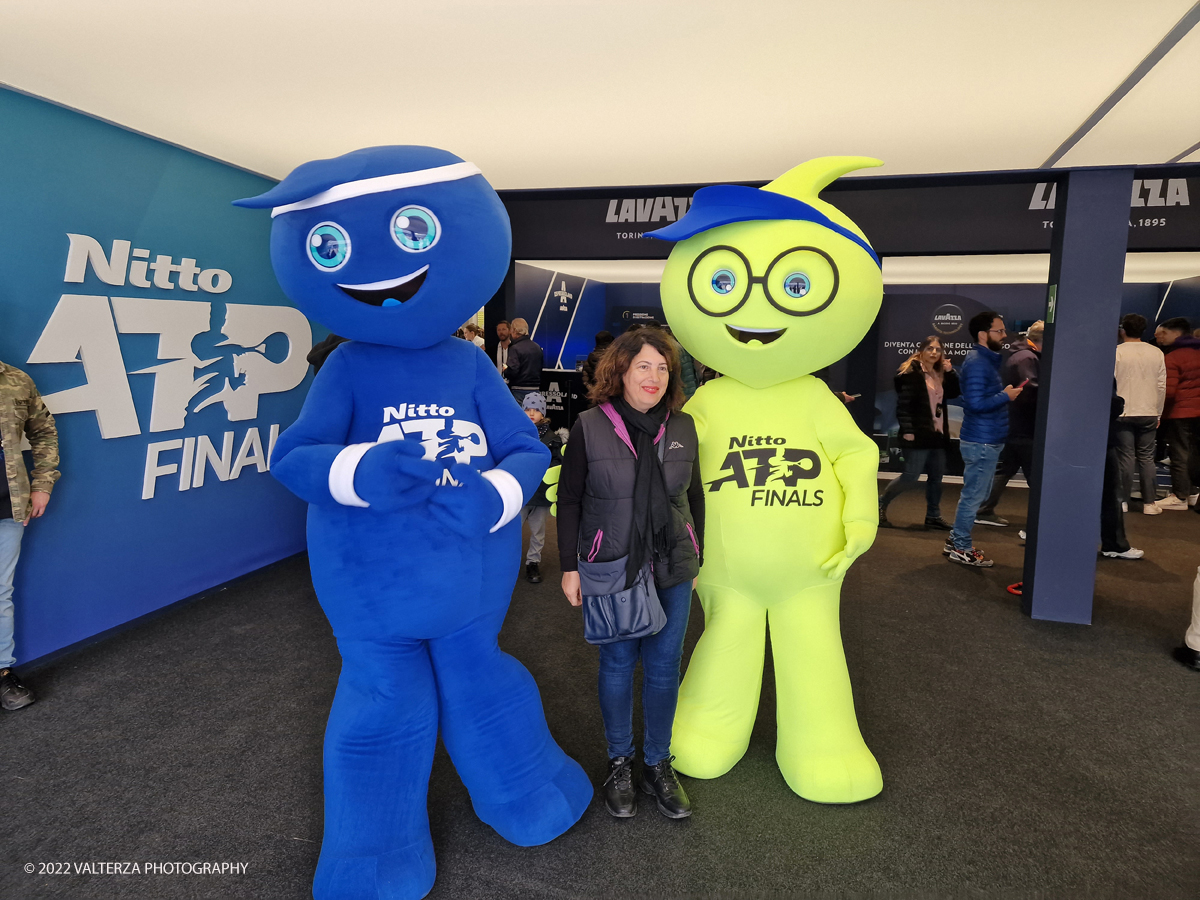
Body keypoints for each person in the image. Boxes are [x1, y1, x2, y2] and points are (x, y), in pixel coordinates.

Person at [556, 327, 703, 820]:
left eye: (663, 368)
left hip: (672, 565)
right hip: (612, 564)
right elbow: (571, 498)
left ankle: (657, 764)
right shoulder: (591, 426)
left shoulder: (683, 427)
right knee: (617, 667)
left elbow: (692, 497)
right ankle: (620, 762)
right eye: (644, 366)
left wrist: (695, 556)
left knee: (664, 670)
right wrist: (569, 566)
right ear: (620, 371)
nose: (655, 377)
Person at [0, 359, 60, 711]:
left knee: (0, 593)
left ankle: (2, 673)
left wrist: (42, 484)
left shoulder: (16, 380)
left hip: (8, 506)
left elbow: (43, 431)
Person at [947, 311, 1023, 567]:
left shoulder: (984, 360)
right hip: (981, 442)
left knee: (976, 494)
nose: (1004, 336)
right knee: (973, 497)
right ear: (983, 334)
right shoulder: (979, 362)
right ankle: (961, 547)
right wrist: (1006, 396)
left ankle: (955, 540)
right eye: (999, 331)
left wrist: (1003, 394)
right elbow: (976, 403)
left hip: (986, 439)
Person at [878, 336, 959, 529]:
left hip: (938, 434)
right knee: (911, 475)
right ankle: (880, 503)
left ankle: (933, 515)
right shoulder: (910, 373)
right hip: (918, 433)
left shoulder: (940, 372)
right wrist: (908, 431)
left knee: (936, 477)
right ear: (921, 350)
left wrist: (951, 372)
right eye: (930, 348)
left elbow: (954, 393)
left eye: (937, 350)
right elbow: (904, 406)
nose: (933, 353)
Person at [976, 320, 1044, 526]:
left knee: (1007, 468)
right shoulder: (1027, 358)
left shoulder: (1023, 355)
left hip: (1017, 423)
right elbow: (1030, 390)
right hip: (1024, 424)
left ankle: (983, 509)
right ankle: (1045, 516)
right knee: (1036, 474)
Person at [1113, 313, 1166, 514]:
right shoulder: (1156, 353)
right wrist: (1158, 413)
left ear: (1123, 330)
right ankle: (1150, 503)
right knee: (1147, 457)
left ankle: (1122, 501)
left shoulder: (1117, 352)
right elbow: (1162, 385)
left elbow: (1112, 382)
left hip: (1124, 411)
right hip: (1149, 410)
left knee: (1126, 456)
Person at [1156, 317, 1200, 510]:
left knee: (1179, 454)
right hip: (1196, 413)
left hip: (1180, 412)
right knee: (1192, 453)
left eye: (1164, 333)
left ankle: (1179, 496)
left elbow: (1169, 391)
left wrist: (1158, 411)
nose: (1160, 338)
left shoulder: (1173, 357)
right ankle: (1190, 492)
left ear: (1176, 333)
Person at [519, 392, 560, 584]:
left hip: (542, 494)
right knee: (511, 531)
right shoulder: (517, 434)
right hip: (521, 493)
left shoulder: (553, 439)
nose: (531, 413)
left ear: (543, 412)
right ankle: (507, 562)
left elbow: (559, 464)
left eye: (536, 410)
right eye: (527, 409)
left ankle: (532, 563)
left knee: (538, 532)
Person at [503, 317, 543, 404]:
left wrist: (505, 370)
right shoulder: (537, 347)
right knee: (532, 415)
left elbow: (513, 371)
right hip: (535, 389)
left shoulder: (515, 348)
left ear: (514, 330)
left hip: (519, 389)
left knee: (518, 416)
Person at [581, 330, 614, 396]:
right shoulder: (614, 359)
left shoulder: (589, 359)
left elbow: (585, 380)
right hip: (611, 399)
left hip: (593, 399)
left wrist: (594, 392)